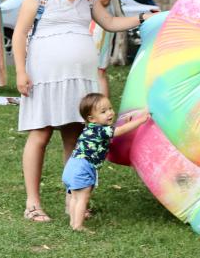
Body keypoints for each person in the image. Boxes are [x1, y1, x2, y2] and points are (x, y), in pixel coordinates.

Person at [12, 0, 157, 223]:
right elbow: (19, 33)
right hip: (44, 75)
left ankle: (73, 199)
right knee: (40, 134)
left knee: (74, 137)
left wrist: (143, 17)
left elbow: (111, 23)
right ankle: (33, 203)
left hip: (79, 78)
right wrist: (20, 71)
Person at [63, 93, 150, 231]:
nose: (109, 113)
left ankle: (73, 223)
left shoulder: (92, 128)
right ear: (91, 118)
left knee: (75, 197)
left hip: (73, 165)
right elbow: (118, 131)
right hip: (83, 167)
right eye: (103, 112)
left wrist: (127, 123)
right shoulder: (99, 130)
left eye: (110, 108)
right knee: (82, 198)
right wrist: (141, 120)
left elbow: (114, 132)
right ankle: (78, 226)